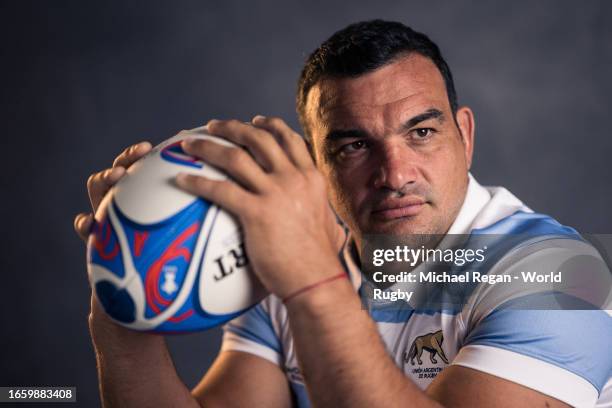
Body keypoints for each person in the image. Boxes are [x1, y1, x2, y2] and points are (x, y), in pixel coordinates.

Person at [74, 20, 612, 407]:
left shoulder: (562, 277)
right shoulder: (283, 256)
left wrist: (312, 282)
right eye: (354, 146)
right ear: (317, 162)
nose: (394, 172)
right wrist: (125, 303)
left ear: (464, 137)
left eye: (421, 133)